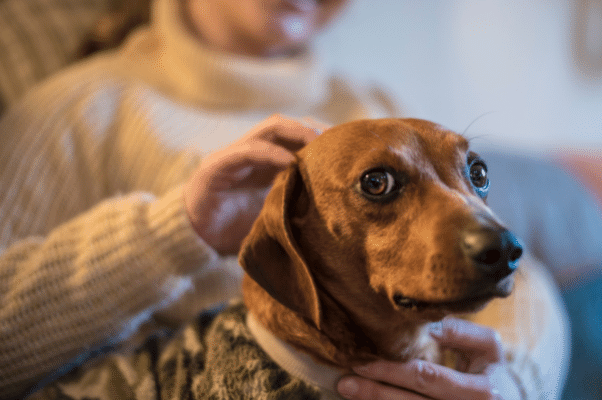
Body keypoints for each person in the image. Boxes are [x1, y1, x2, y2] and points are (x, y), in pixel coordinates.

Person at [0, 0, 570, 399]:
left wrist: (513, 384)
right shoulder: (75, 113)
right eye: (377, 183)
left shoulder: (369, 100)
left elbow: (517, 274)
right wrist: (174, 231)